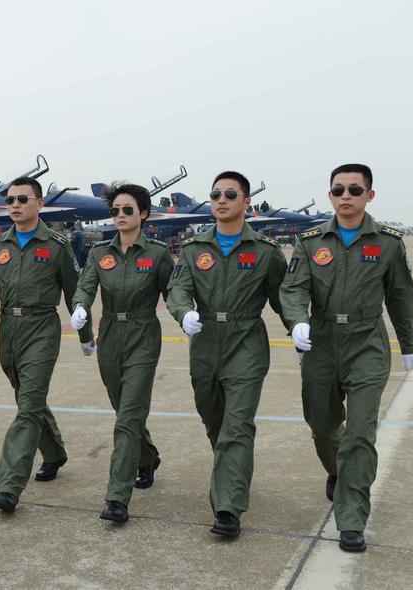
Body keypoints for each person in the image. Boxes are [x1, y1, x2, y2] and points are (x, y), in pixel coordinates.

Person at [280, 163, 413, 553]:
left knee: (359, 433)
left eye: (354, 190)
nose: (346, 196)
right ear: (330, 196)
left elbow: (401, 295)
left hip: (366, 343)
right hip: (321, 342)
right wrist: (297, 321)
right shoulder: (310, 241)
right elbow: (293, 288)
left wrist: (408, 345)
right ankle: (337, 470)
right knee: (323, 427)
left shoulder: (388, 242)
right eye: (338, 190)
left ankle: (352, 518)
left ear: (369, 195)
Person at [0, 177, 95, 514]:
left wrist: (85, 335)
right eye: (10, 201)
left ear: (40, 203)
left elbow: (76, 292)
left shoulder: (57, 246)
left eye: (22, 199)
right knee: (27, 398)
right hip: (10, 328)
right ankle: (55, 453)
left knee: (29, 404)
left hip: (42, 327)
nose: (15, 205)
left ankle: (10, 484)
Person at [166, 171, 288, 538]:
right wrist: (183, 312)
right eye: (216, 194)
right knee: (214, 419)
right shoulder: (193, 249)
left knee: (237, 425)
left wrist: (299, 330)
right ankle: (231, 471)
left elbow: (284, 298)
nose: (221, 200)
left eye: (230, 194)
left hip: (246, 341)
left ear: (246, 202)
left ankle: (228, 507)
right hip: (204, 341)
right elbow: (177, 289)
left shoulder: (266, 251)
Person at [71, 183, 174, 523]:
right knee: (123, 408)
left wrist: (185, 315)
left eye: (127, 210)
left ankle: (117, 496)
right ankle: (147, 457)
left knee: (129, 416)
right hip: (110, 335)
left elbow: (174, 293)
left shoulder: (158, 254)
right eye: (115, 210)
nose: (120, 215)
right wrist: (80, 306)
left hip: (143, 335)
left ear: (143, 213)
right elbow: (86, 286)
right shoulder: (100, 253)